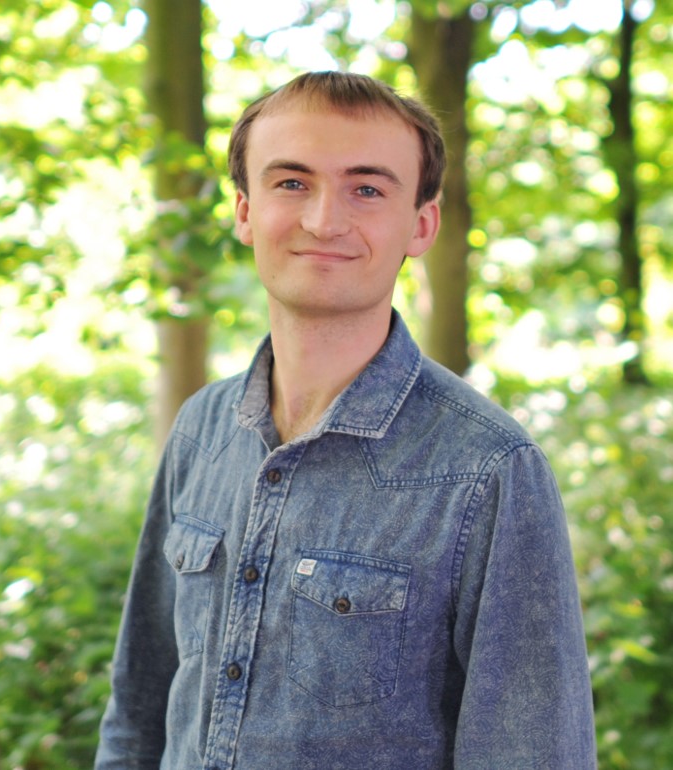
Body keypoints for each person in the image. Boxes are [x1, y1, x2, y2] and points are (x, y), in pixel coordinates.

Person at [95, 71, 596, 769]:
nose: (324, 220)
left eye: (367, 189)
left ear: (421, 224)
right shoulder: (202, 429)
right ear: (245, 211)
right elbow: (138, 710)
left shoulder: (490, 469)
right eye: (291, 182)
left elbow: (532, 754)